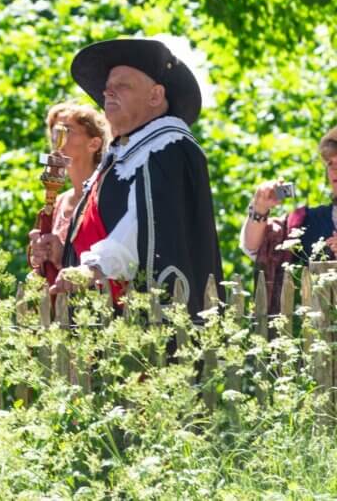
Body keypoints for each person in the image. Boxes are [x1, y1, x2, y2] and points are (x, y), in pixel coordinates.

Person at [53, 38, 223, 316]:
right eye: (107, 87)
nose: (107, 92)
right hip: (105, 309)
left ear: (155, 96)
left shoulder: (168, 147)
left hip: (147, 322)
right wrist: (62, 252)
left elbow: (141, 227)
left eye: (122, 85)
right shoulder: (125, 153)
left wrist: (93, 267)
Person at [240, 127, 337, 314]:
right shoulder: (309, 220)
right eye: (330, 163)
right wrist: (260, 207)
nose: (334, 170)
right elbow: (255, 247)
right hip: (320, 336)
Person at [27, 103, 110, 276]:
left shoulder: (107, 196)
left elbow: (114, 258)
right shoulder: (58, 202)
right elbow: (43, 264)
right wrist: (39, 256)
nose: (57, 138)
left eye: (66, 130)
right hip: (58, 300)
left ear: (94, 144)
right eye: (54, 132)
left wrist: (65, 256)